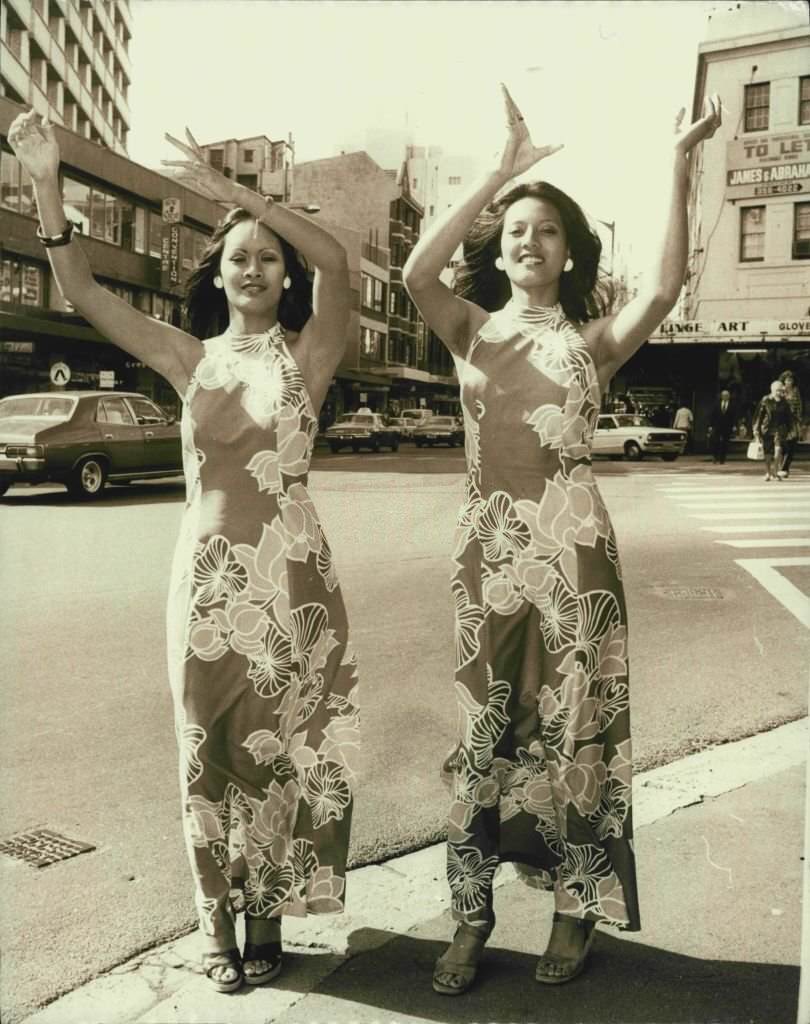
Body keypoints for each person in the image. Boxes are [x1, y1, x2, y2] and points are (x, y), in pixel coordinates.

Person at [9, 111, 359, 994]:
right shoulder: (188, 359)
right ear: (221, 275)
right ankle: (215, 925)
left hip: (293, 581)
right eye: (238, 255)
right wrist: (47, 180)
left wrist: (243, 199)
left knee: (279, 747)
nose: (252, 267)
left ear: (285, 276)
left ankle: (270, 912)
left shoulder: (308, 358)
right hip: (204, 585)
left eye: (267, 256)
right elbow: (84, 293)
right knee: (205, 749)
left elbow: (345, 266)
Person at [403, 84, 721, 995]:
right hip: (487, 554)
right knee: (483, 735)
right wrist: (500, 174)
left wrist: (677, 160)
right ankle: (470, 916)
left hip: (576, 550)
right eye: (514, 228)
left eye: (545, 229)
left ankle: (576, 908)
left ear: (569, 251)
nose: (527, 239)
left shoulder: (592, 341)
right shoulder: (469, 333)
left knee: (579, 732)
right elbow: (421, 275)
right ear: (498, 247)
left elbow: (665, 285)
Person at [753, 379, 795, 481]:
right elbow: (759, 416)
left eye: (781, 390)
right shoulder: (766, 400)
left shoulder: (784, 402)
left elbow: (789, 416)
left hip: (780, 430)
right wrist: (756, 429)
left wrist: (791, 429)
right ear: (772, 390)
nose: (780, 393)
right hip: (767, 429)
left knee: (778, 450)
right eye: (778, 391)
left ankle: (775, 472)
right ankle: (768, 472)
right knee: (767, 453)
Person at [778, 370, 803, 477]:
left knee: (792, 446)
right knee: (783, 447)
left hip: (794, 422)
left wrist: (799, 419)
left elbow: (799, 406)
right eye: (787, 380)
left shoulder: (796, 391)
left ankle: (784, 468)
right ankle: (782, 468)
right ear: (783, 381)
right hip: (782, 422)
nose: (789, 382)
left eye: (791, 380)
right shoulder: (780, 391)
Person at [708, 388, 734, 464]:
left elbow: (734, 416)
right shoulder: (716, 404)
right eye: (724, 395)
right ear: (721, 396)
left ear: (729, 396)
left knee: (725, 443)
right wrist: (710, 425)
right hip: (717, 426)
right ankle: (715, 456)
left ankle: (722, 459)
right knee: (715, 441)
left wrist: (734, 425)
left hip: (727, 426)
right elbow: (712, 415)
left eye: (727, 395)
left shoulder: (732, 405)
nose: (725, 397)